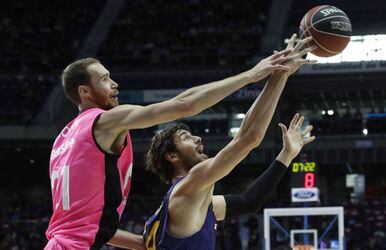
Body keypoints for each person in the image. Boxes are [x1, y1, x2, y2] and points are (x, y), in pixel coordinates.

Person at [44, 39, 298, 249]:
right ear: (84, 92)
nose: (114, 84)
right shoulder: (105, 122)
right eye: (104, 79)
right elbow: (187, 106)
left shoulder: (63, 139)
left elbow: (249, 200)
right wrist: (256, 75)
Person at [143, 34, 316, 249]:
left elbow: (248, 202)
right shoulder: (187, 188)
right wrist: (279, 76)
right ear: (172, 156)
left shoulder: (190, 202)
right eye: (185, 138)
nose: (197, 138)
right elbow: (248, 138)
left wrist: (286, 155)